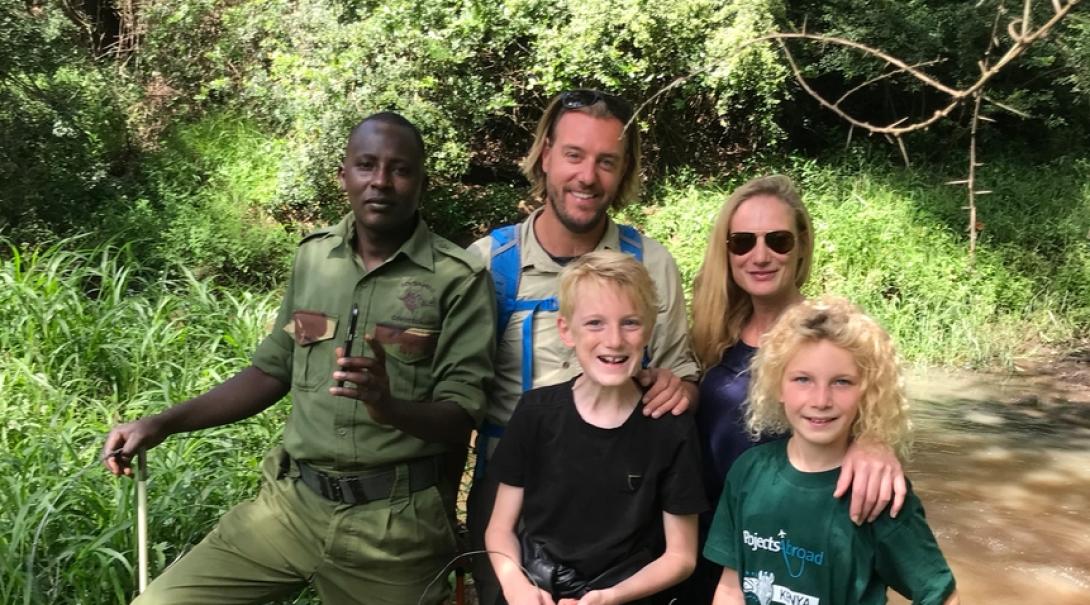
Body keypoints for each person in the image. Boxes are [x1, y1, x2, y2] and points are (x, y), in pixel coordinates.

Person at [101, 112, 496, 605]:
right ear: (343, 175)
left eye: (400, 169)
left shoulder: (458, 278)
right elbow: (272, 368)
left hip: (394, 531)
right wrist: (161, 423)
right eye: (366, 164)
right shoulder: (314, 258)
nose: (381, 181)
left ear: (422, 181)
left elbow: (461, 417)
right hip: (289, 508)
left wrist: (386, 405)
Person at [467, 90, 701, 605]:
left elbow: (685, 378)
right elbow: (453, 392)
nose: (587, 176)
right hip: (512, 493)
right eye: (574, 155)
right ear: (546, 155)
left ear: (623, 172)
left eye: (606, 161)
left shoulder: (651, 264)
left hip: (622, 502)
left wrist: (677, 388)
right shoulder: (487, 263)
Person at [675, 174, 906, 603]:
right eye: (743, 242)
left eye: (777, 240)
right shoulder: (710, 332)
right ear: (726, 251)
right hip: (709, 545)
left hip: (792, 555)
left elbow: (870, 404)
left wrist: (875, 441)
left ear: (800, 245)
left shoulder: (830, 334)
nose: (759, 255)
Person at [704, 297, 960, 605]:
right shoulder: (748, 472)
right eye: (803, 380)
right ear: (777, 386)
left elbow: (942, 596)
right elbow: (731, 588)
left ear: (867, 392)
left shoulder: (878, 492)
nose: (821, 400)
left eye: (841, 382)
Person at [485, 251, 707, 605]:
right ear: (566, 330)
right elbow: (500, 529)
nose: (614, 340)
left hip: (626, 594)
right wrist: (516, 585)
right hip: (538, 592)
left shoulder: (670, 427)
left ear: (649, 330)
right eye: (595, 323)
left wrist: (610, 597)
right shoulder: (535, 413)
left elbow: (681, 556)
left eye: (630, 323)